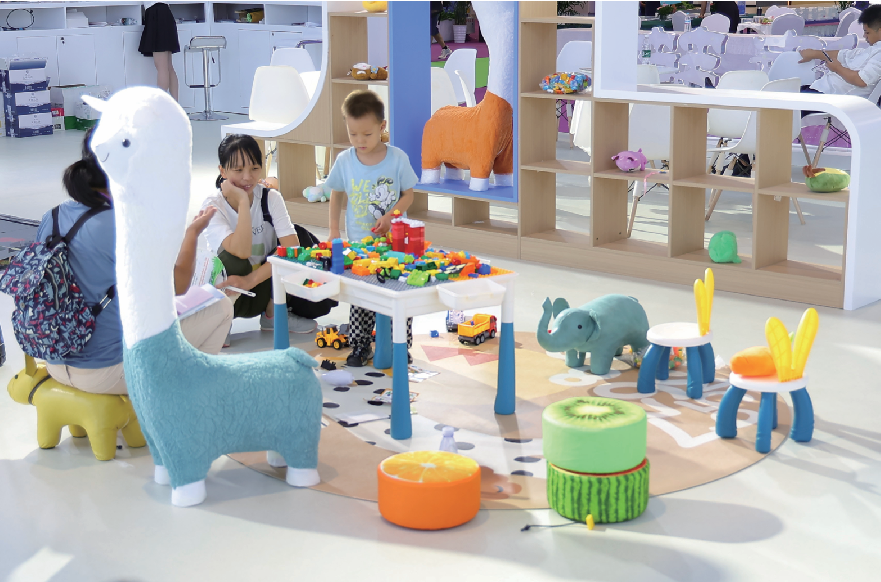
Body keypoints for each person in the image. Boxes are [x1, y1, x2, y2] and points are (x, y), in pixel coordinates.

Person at [36, 129, 233, 395]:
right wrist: (192, 233)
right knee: (220, 305)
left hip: (54, 362)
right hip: (108, 371)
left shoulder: (52, 216)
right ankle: (184, 400)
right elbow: (179, 285)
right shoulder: (125, 225)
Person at [327, 90, 418, 367]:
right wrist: (333, 230)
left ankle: (400, 345)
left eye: (366, 134)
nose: (359, 141)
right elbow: (336, 194)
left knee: (398, 292)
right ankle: (360, 345)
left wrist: (391, 216)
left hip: (394, 244)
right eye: (353, 134)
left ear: (382, 126)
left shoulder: (397, 158)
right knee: (360, 296)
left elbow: (408, 195)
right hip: (359, 243)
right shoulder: (345, 160)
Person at [201, 134, 319, 336]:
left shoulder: (270, 197)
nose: (248, 177)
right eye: (238, 170)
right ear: (223, 171)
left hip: (262, 286)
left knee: (299, 241)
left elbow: (292, 249)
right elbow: (242, 251)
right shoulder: (213, 206)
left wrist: (250, 280)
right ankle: (221, 321)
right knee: (233, 259)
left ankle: (272, 315)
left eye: (254, 168)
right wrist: (243, 201)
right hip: (229, 289)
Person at [798, 4, 881, 101]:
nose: (864, 36)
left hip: (828, 98)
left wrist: (837, 68)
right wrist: (814, 54)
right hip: (821, 92)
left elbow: (862, 80)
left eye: (867, 32)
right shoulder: (871, 50)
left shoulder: (879, 54)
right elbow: (843, 54)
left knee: (786, 98)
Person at [139, 2, 180, 101]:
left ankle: (161, 104)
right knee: (168, 67)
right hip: (165, 13)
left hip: (156, 14)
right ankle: (175, 104)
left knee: (162, 67)